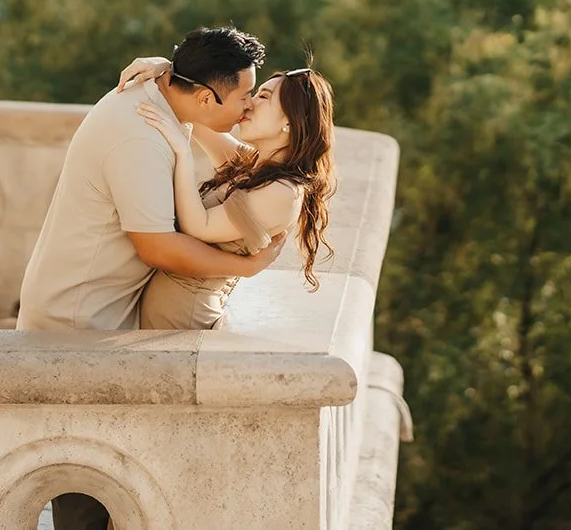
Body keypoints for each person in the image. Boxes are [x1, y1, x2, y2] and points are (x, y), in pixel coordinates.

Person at [17, 27, 284, 530]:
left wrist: (164, 64)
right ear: (206, 96)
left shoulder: (162, 97)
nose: (248, 108)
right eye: (245, 96)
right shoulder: (139, 134)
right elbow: (158, 246)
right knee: (84, 486)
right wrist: (245, 267)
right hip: (78, 321)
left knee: (118, 480)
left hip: (106, 314)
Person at [117, 56, 337, 330]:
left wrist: (182, 153)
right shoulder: (251, 164)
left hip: (183, 320)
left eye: (263, 97)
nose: (249, 103)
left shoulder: (283, 193)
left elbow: (198, 227)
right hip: (165, 314)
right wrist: (167, 68)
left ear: (290, 122)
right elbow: (193, 111)